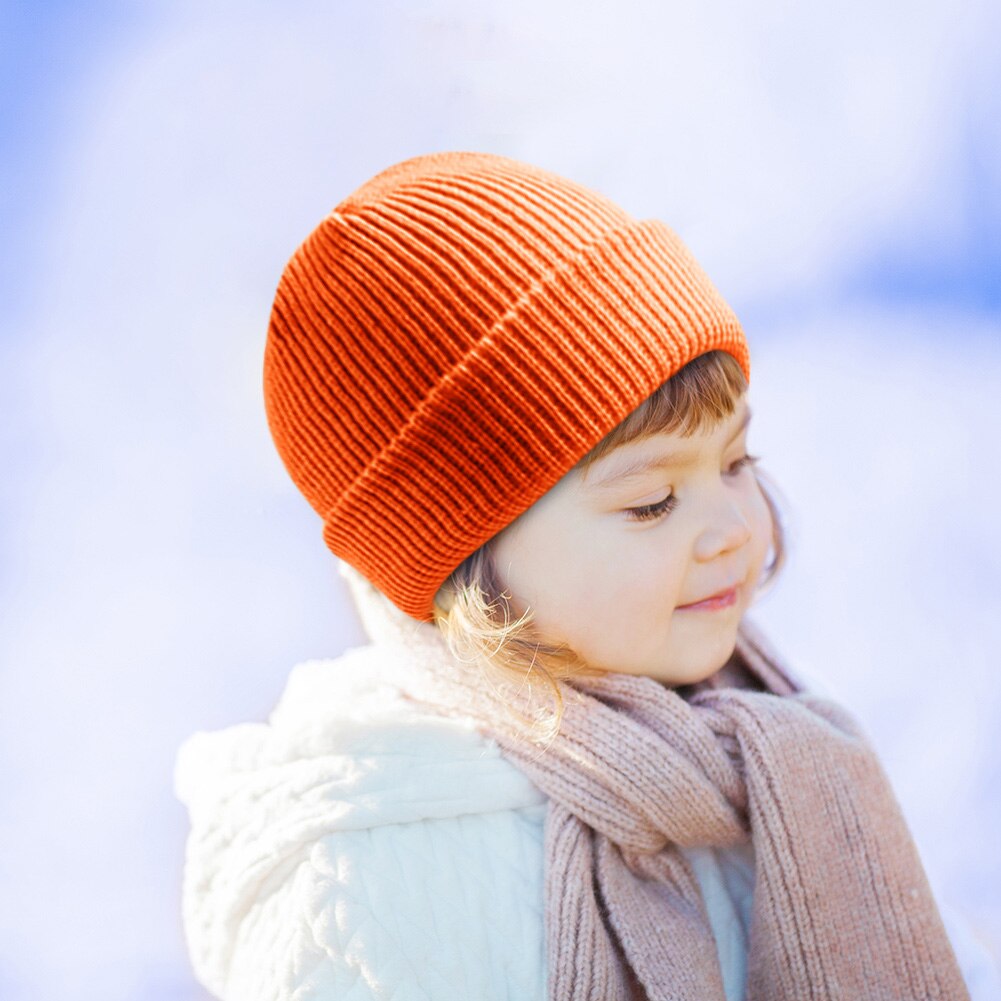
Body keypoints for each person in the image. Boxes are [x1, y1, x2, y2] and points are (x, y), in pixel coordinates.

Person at [174, 152, 998, 1000]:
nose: (731, 529)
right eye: (651, 502)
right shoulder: (373, 877)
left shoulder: (783, 748)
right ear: (467, 562)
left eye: (736, 460)